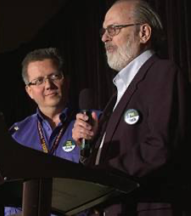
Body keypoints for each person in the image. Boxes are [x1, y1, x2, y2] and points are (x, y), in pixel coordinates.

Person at [72, 0, 191, 215]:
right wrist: (89, 149)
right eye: (103, 31)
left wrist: (99, 177)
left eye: (114, 29)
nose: (104, 37)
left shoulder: (162, 73)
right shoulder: (119, 92)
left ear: (144, 33)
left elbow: (160, 147)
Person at [5, 47, 82, 215]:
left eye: (54, 76)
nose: (49, 85)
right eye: (39, 81)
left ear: (66, 80)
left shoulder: (91, 123)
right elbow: (9, 193)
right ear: (29, 91)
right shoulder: (16, 135)